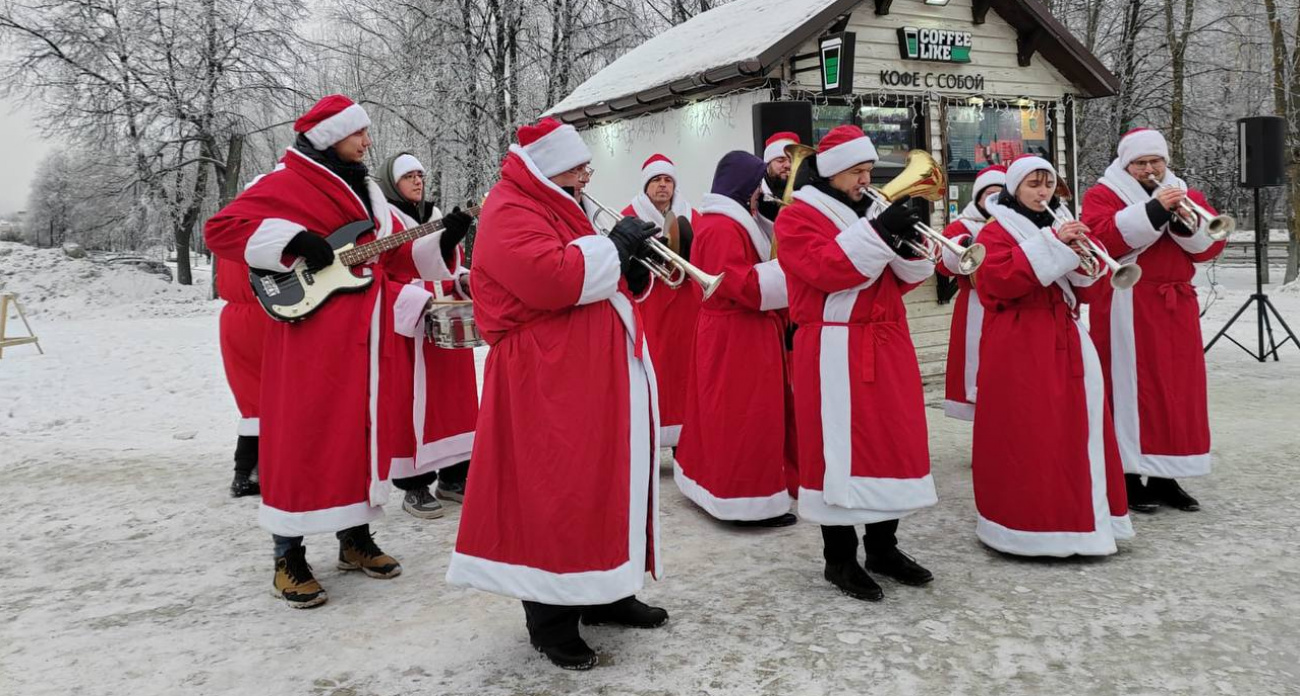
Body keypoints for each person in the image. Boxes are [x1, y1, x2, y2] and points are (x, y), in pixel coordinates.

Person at [445, 118, 667, 671]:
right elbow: (553, 279)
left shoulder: (559, 201)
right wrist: (615, 249)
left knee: (604, 479)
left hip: (590, 372)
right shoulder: (508, 209)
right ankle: (550, 622)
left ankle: (609, 589)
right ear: (546, 165)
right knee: (555, 490)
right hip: (543, 376)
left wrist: (630, 264)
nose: (586, 174)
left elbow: (599, 275)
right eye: (576, 165)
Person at [206, 95, 441, 608]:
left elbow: (395, 249)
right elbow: (220, 230)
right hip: (310, 338)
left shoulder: (369, 190)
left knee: (355, 437)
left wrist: (446, 239)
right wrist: (293, 240)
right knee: (302, 437)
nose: (368, 141)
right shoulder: (287, 182)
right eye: (359, 133)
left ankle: (353, 540)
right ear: (331, 135)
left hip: (364, 340)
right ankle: (287, 557)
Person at [774, 125, 937, 601]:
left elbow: (897, 282)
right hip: (832, 347)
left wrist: (908, 248)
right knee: (836, 453)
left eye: (868, 170)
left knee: (891, 444)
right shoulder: (796, 217)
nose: (866, 180)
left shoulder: (871, 210)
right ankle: (839, 558)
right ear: (831, 172)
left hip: (885, 343)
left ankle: (884, 547)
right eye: (856, 172)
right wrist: (879, 234)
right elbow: (825, 270)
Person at [971, 154, 1133, 557]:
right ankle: (1026, 525)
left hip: (1066, 333)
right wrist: (1053, 245)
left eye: (1048, 184)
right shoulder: (995, 231)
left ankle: (1084, 520)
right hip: (1018, 340)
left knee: (1079, 427)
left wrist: (1086, 255)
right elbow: (996, 283)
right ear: (1014, 189)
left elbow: (1091, 293)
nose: (1043, 192)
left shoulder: (1061, 222)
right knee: (1028, 430)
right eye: (1033, 184)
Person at [1081, 129, 1226, 514]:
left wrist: (1182, 222)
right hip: (1126, 302)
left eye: (1155, 162)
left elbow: (1207, 248)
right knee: (1128, 388)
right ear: (1126, 165)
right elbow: (1101, 241)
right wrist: (1153, 212)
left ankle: (1165, 476)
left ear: (1165, 161)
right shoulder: (1103, 194)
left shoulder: (1184, 191)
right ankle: (1127, 476)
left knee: (1176, 390)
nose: (1149, 169)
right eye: (1140, 163)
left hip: (1174, 306)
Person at [673, 151, 798, 528]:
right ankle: (747, 498)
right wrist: (786, 273)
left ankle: (726, 488)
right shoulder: (723, 227)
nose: (761, 191)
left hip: (735, 331)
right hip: (739, 333)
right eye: (757, 184)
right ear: (744, 187)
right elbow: (738, 282)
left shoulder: (727, 221)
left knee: (724, 413)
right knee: (747, 416)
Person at [375, 151, 476, 519]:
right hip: (409, 324)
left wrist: (461, 279)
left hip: (445, 318)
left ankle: (453, 477)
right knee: (408, 401)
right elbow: (377, 275)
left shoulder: (436, 217)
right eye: (408, 176)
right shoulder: (383, 220)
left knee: (456, 401)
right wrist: (416, 299)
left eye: (420, 174)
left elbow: (448, 264)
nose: (417, 181)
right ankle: (413, 484)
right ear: (392, 183)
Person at [620, 154, 700, 449]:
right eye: (656, 181)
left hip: (687, 308)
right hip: (650, 307)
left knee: (686, 374)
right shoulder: (628, 217)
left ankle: (687, 441)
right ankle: (650, 437)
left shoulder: (692, 216)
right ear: (646, 186)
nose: (663, 186)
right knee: (655, 373)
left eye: (667, 180)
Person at [937, 165, 1006, 421]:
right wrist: (962, 245)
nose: (993, 199)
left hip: (1007, 304)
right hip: (975, 305)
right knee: (974, 365)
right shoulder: (963, 225)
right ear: (977, 196)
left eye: (1000, 193)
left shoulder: (1015, 222)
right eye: (988, 193)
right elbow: (943, 264)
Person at [216, 254, 270, 497]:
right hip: (266, 315)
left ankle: (245, 471)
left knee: (252, 401)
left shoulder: (230, 227)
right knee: (273, 397)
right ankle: (257, 470)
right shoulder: (266, 226)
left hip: (234, 318)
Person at [755, 131, 801, 235]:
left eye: (792, 160)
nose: (788, 165)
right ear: (768, 164)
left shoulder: (805, 192)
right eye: (781, 160)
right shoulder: (755, 196)